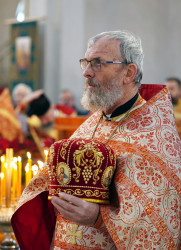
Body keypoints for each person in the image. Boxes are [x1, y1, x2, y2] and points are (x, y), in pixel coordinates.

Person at [11, 31, 181, 249]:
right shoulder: (92, 124)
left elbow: (161, 226)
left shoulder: (156, 138)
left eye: (98, 63)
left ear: (129, 73)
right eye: (86, 63)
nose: (86, 73)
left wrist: (98, 218)